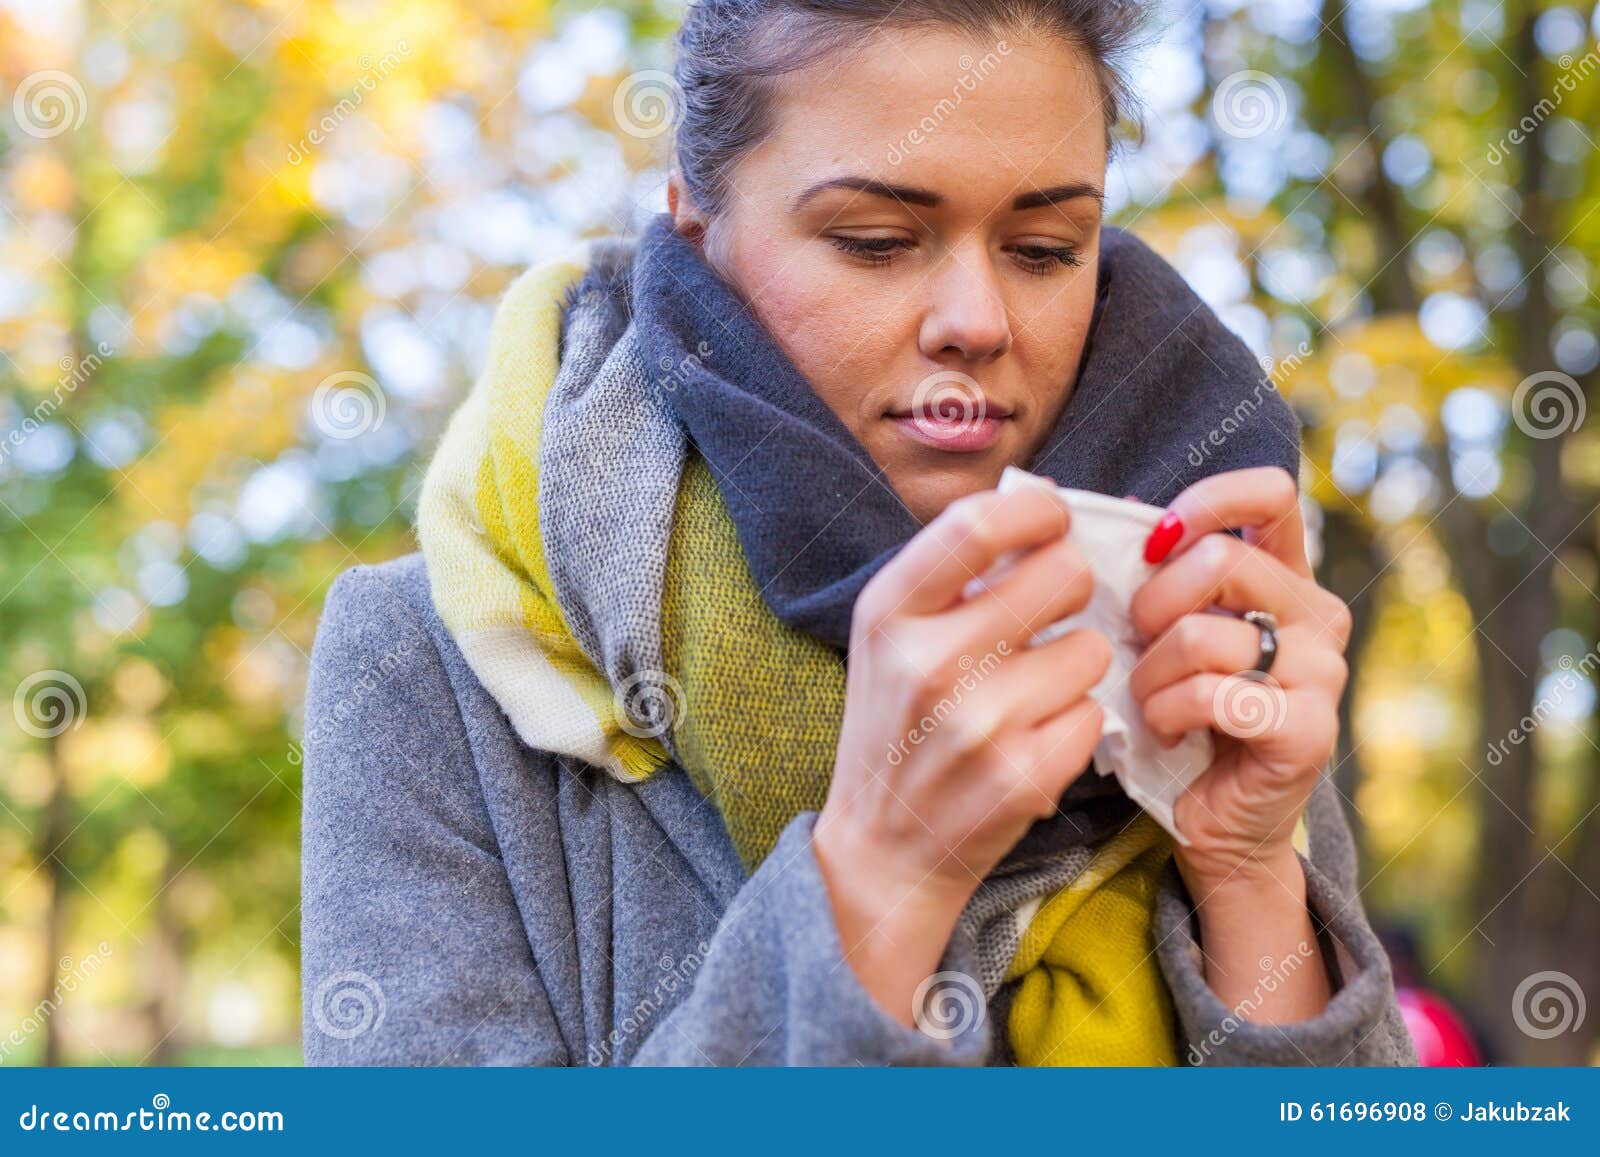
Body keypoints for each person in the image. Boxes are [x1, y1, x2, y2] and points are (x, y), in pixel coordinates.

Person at [300, 0, 1417, 1066]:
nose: (976, 321)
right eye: (878, 240)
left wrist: (1248, 869)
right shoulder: (424, 663)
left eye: (1044, 248)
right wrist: (880, 880)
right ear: (697, 223)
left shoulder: (1201, 617)